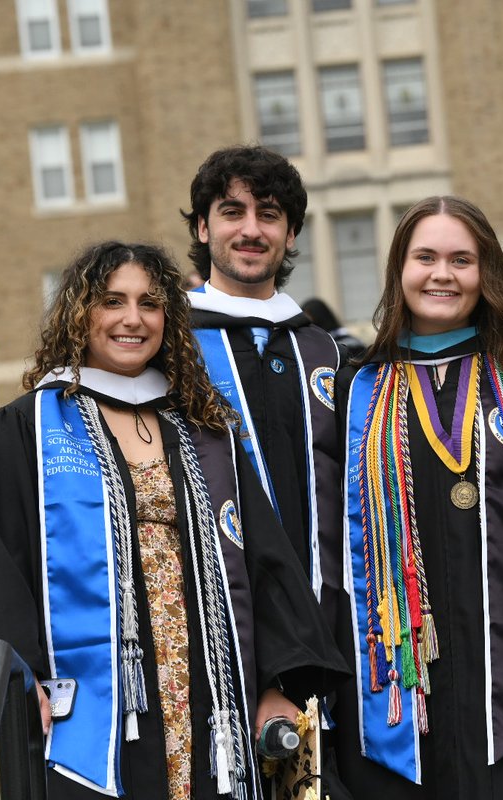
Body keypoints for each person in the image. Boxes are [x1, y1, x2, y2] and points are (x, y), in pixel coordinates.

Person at [0, 241, 348, 799]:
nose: (132, 319)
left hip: (212, 696)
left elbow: (264, 562)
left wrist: (277, 682)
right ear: (80, 313)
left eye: (150, 303)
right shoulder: (28, 428)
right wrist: (19, 679)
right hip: (94, 711)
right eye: (112, 301)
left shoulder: (206, 429)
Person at [334, 196, 503, 798]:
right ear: (399, 269)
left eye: (461, 260)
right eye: (425, 257)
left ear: (487, 272)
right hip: (407, 680)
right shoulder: (356, 387)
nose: (442, 275)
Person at [182, 146, 343, 622]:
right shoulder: (170, 348)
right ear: (203, 227)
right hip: (215, 615)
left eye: (269, 215)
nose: (251, 230)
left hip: (325, 615)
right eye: (232, 212)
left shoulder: (324, 352)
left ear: (290, 235)